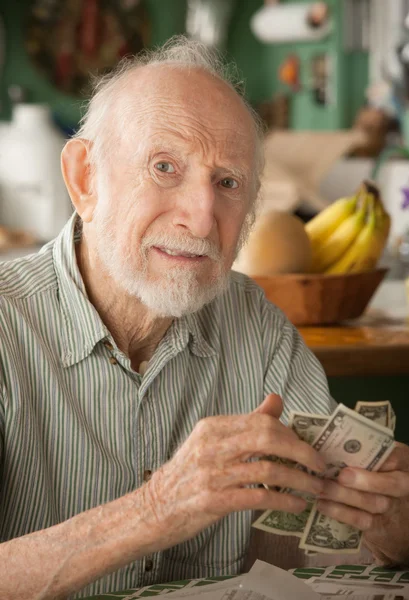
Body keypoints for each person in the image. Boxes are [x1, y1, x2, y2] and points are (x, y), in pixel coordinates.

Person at [0, 37, 408, 600]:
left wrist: (389, 526)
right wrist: (156, 509)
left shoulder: (258, 327)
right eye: (164, 167)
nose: (201, 216)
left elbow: (310, 549)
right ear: (86, 180)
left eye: (228, 183)